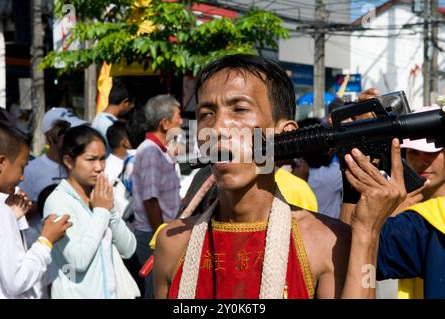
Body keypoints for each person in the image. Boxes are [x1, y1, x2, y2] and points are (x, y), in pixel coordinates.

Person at [153, 54, 407, 299]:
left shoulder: (325, 243)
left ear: (284, 135)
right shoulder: (173, 242)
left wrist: (367, 234)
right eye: (206, 114)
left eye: (239, 109)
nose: (217, 128)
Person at [43, 125, 137, 299]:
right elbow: (78, 260)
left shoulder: (99, 194)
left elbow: (129, 249)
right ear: (68, 161)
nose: (99, 167)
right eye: (91, 159)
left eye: (102, 159)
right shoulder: (57, 202)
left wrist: (111, 211)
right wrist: (101, 211)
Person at [0, 121, 72, 299]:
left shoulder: (3, 212)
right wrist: (46, 240)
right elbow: (16, 281)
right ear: (1, 162)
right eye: (22, 167)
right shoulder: (1, 213)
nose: (22, 177)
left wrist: (12, 218)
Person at [375, 105, 445, 299]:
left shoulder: (422, 220)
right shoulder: (404, 211)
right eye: (413, 151)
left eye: (432, 150)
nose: (422, 160)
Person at [132, 94, 183, 299]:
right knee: (155, 291)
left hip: (161, 231)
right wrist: (160, 237)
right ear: (164, 123)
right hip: (152, 234)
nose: (181, 121)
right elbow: (150, 200)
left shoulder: (160, 150)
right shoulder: (150, 152)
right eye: (178, 116)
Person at [19, 107, 87, 248]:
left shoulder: (80, 166)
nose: (74, 137)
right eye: (66, 133)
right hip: (43, 250)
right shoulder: (31, 169)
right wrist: (44, 202)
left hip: (76, 247)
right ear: (50, 137)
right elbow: (20, 216)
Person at [92, 78, 135, 143]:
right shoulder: (113, 126)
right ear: (125, 102)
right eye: (132, 103)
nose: (132, 106)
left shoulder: (99, 118)